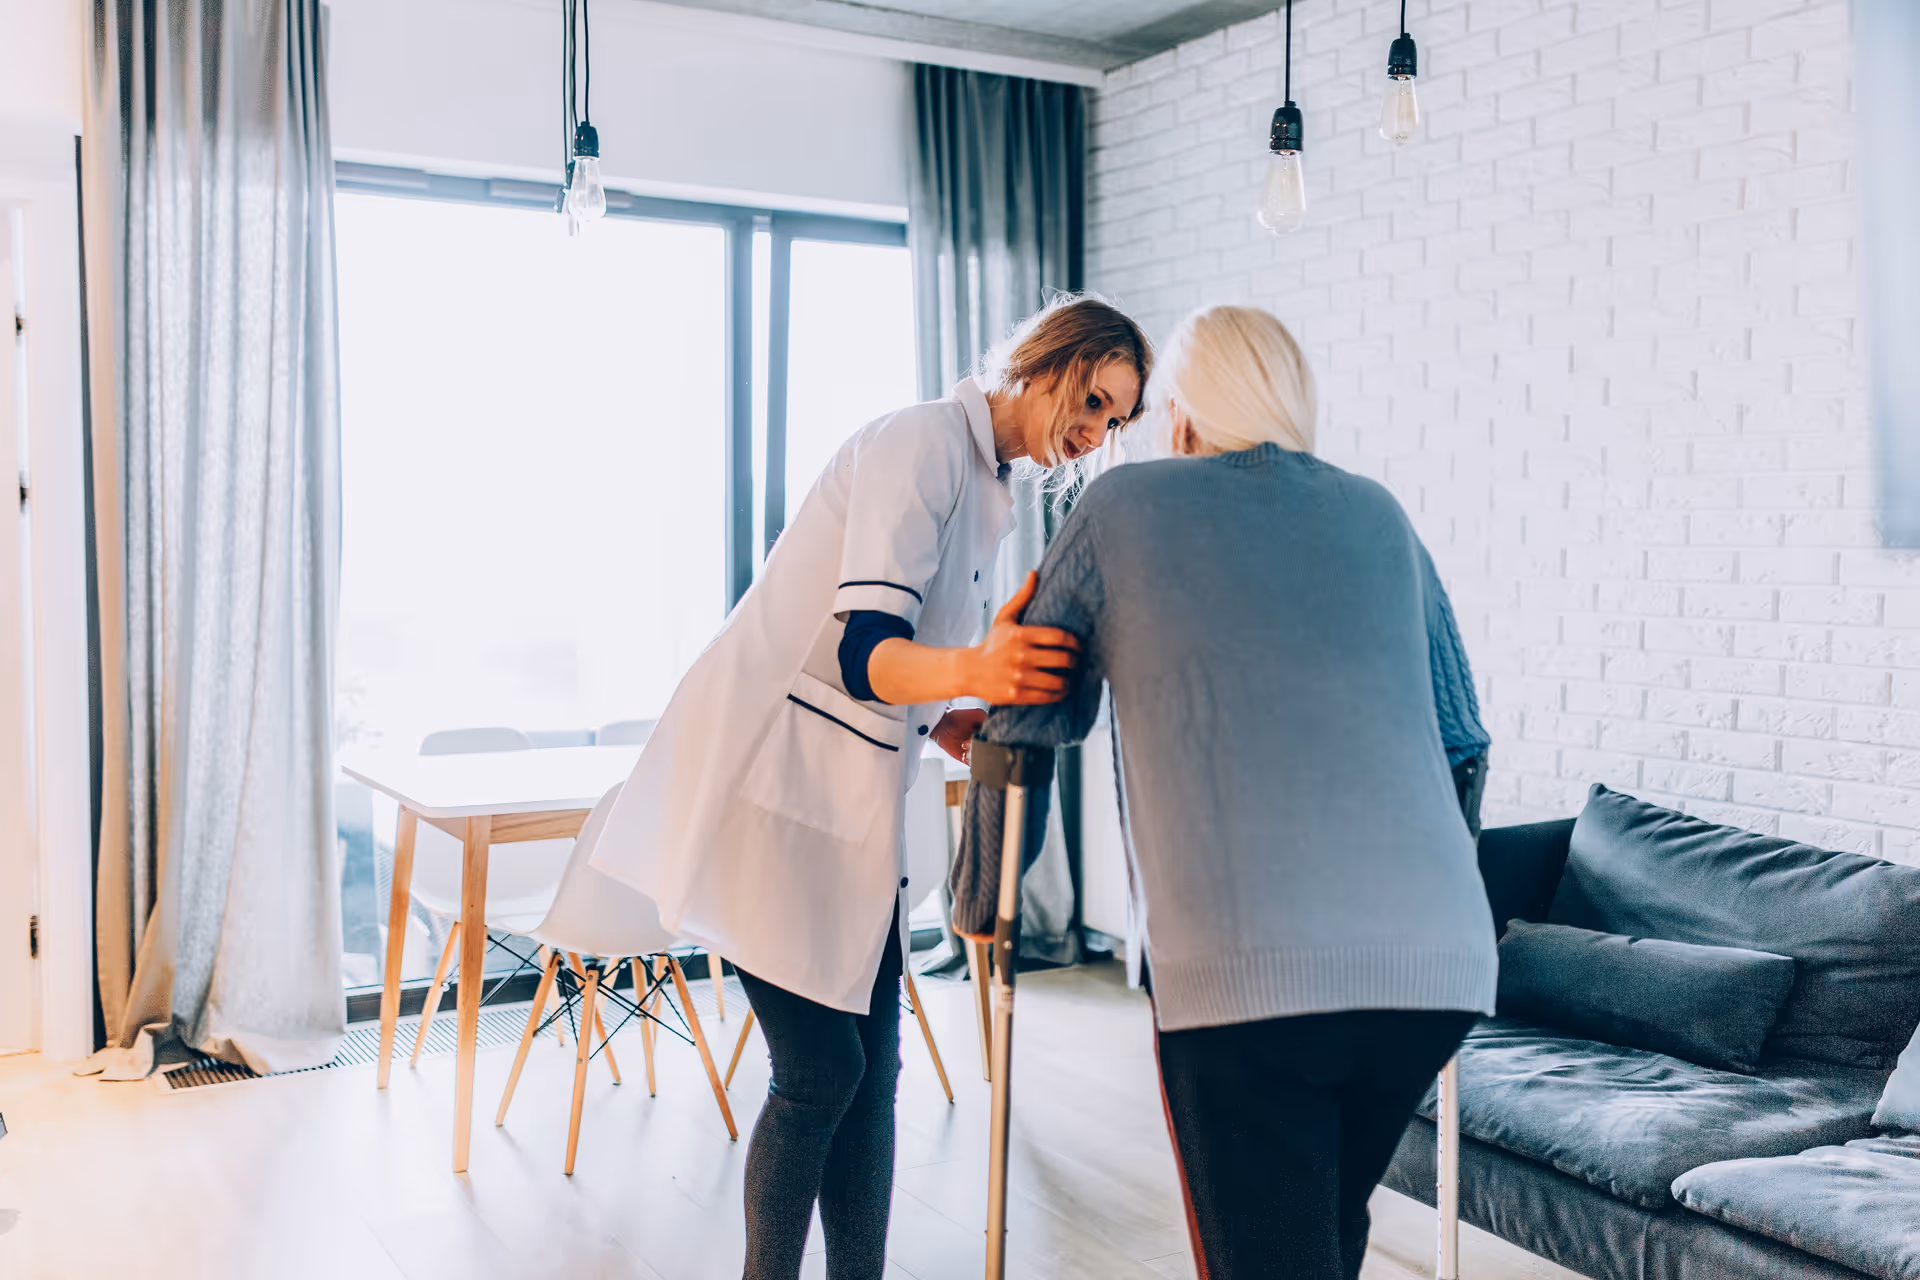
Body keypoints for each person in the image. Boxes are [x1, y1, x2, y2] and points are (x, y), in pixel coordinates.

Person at [590, 294, 1153, 1280]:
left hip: (844, 814)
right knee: (821, 1072)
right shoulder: (920, 444)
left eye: (1117, 420)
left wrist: (958, 715)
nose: (1098, 429)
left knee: (875, 1072)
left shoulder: (990, 488)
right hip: (768, 795)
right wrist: (975, 669)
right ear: (1052, 359)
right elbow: (863, 651)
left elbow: (916, 667)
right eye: (1097, 398)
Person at [953, 304, 1497, 1280]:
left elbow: (1028, 719)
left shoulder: (1119, 509)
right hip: (1437, 968)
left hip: (1244, 973)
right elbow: (1463, 740)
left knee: (1265, 1250)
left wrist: (978, 897)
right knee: (1320, 1227)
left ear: (1186, 418)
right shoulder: (1378, 510)